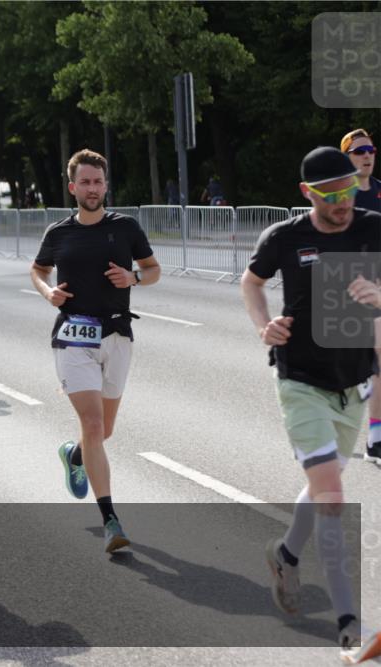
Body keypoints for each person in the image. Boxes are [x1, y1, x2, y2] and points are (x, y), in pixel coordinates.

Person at [242, 146, 381, 663]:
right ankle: (350, 626)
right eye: (330, 195)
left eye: (348, 190)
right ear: (308, 195)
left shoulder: (372, 228)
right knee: (332, 496)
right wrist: (263, 325)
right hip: (299, 379)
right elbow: (251, 282)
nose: (342, 202)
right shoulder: (284, 238)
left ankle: (285, 554)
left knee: (324, 485)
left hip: (352, 386)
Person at [29, 149, 161, 553]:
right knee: (91, 425)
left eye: (97, 182)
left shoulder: (126, 227)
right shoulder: (59, 232)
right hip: (73, 336)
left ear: (106, 185)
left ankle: (74, 456)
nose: (92, 188)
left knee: (103, 431)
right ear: (73, 187)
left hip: (117, 334)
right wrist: (47, 291)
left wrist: (133, 277)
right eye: (84, 182)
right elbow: (37, 269)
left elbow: (153, 270)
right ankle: (110, 520)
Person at [341, 129, 381, 466]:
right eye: (359, 151)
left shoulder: (380, 192)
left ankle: (375, 437)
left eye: (370, 149)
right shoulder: (342, 195)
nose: (367, 155)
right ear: (347, 158)